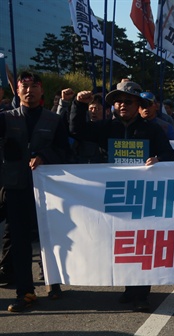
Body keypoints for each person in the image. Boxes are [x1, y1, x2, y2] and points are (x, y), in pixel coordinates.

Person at [70, 80, 174, 312]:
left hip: (144, 197)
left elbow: (169, 154)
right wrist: (78, 105)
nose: (122, 105)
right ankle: (129, 288)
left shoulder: (152, 129)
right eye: (117, 101)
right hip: (113, 196)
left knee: (143, 244)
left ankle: (141, 294)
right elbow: (77, 131)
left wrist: (158, 160)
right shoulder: (107, 127)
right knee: (122, 243)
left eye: (128, 101)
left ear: (139, 104)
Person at [1, 71, 70, 312]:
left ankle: (54, 282)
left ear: (42, 91)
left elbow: (64, 152)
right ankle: (25, 292)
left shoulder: (54, 120)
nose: (29, 90)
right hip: (16, 188)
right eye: (24, 86)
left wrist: (44, 156)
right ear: (17, 91)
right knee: (19, 242)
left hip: (48, 190)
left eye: (34, 86)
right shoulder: (5, 118)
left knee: (52, 239)